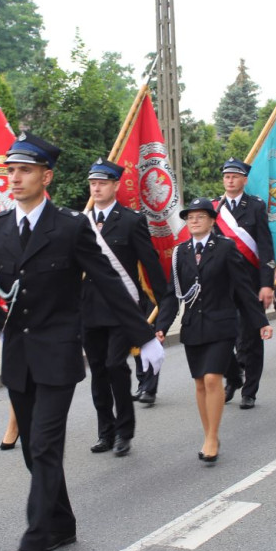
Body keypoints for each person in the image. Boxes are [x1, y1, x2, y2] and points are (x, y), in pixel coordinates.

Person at [0, 133, 164, 551]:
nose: (15, 179)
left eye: (24, 171)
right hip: (18, 354)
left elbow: (110, 282)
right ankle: (62, 523)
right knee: (31, 453)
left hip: (57, 351)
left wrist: (145, 335)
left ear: (46, 176)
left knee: (44, 445)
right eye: (11, 171)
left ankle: (33, 541)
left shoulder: (71, 225)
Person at [156, 198, 273, 462]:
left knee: (212, 378)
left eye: (200, 216)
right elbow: (171, 295)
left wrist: (260, 322)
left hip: (221, 323)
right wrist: (161, 326)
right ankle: (209, 432)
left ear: (211, 220)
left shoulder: (225, 248)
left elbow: (243, 288)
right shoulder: (180, 252)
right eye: (190, 217)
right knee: (199, 383)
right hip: (193, 326)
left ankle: (211, 437)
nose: (194, 221)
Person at [81, 158, 167, 457]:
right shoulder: (81, 221)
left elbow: (150, 264)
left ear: (115, 185)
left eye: (102, 183)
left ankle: (124, 431)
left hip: (121, 308)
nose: (97, 187)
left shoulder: (131, 220)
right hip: (89, 310)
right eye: (93, 183)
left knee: (115, 365)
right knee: (98, 372)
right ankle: (105, 431)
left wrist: (164, 302)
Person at [213, 158, 275, 410]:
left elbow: (265, 246)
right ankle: (233, 377)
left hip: (250, 283)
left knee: (252, 336)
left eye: (235, 176)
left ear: (244, 180)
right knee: (222, 336)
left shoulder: (256, 207)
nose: (230, 180)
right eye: (227, 176)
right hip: (222, 285)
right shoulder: (214, 208)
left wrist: (267, 284)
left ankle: (250, 390)